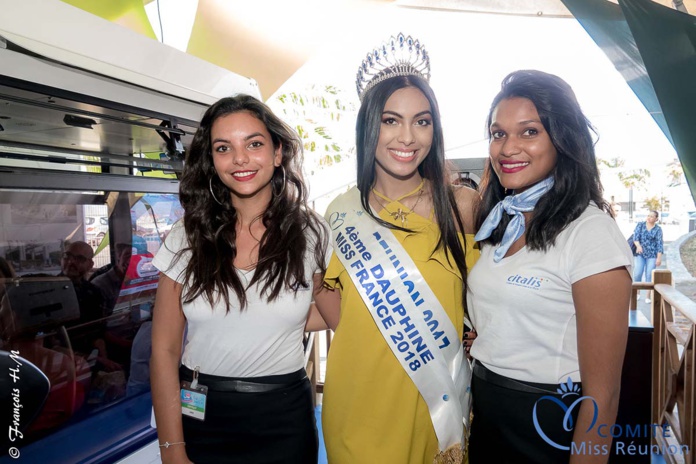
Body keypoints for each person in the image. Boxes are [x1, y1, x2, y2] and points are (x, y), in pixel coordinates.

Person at [315, 33, 479, 463]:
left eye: (422, 121)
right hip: (357, 407)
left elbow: (483, 300)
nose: (408, 137)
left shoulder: (459, 206)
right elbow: (331, 300)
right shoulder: (341, 211)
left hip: (435, 408)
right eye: (391, 120)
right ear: (370, 125)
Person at [150, 95, 330, 464]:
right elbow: (164, 350)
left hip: (284, 419)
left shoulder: (312, 232)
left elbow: (335, 310)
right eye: (223, 148)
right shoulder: (187, 235)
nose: (240, 159)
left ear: (278, 152)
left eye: (254, 144)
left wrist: (284, 320)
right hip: (199, 414)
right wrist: (172, 449)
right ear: (212, 160)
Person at [468, 70, 633, 463]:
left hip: (548, 423)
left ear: (562, 138)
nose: (508, 148)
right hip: (487, 414)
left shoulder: (591, 232)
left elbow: (603, 395)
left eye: (529, 132)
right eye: (497, 133)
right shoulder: (501, 221)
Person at [632, 210, 664, 303]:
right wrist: (638, 246)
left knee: (649, 275)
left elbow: (659, 244)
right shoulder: (640, 225)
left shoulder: (658, 229)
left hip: (652, 255)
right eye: (648, 215)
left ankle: (647, 296)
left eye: (651, 216)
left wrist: (659, 258)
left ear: (656, 219)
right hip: (640, 254)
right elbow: (635, 238)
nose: (649, 218)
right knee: (638, 273)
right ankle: (637, 293)